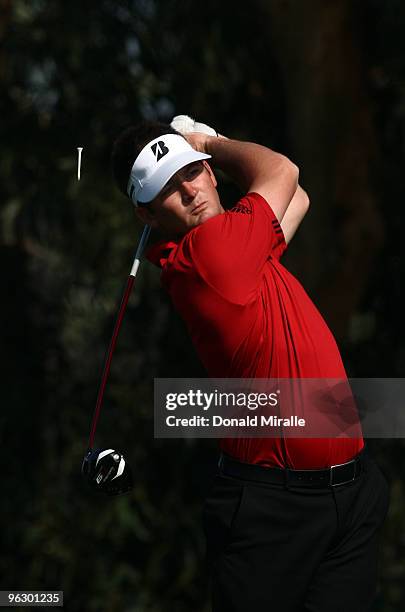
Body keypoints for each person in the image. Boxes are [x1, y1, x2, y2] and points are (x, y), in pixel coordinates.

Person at [111, 118, 390, 611]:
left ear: (209, 176)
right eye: (170, 191)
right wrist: (208, 144)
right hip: (274, 511)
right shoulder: (211, 254)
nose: (190, 192)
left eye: (190, 174)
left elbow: (297, 198)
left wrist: (202, 152)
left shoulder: (239, 245)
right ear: (147, 215)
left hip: (351, 493)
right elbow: (283, 170)